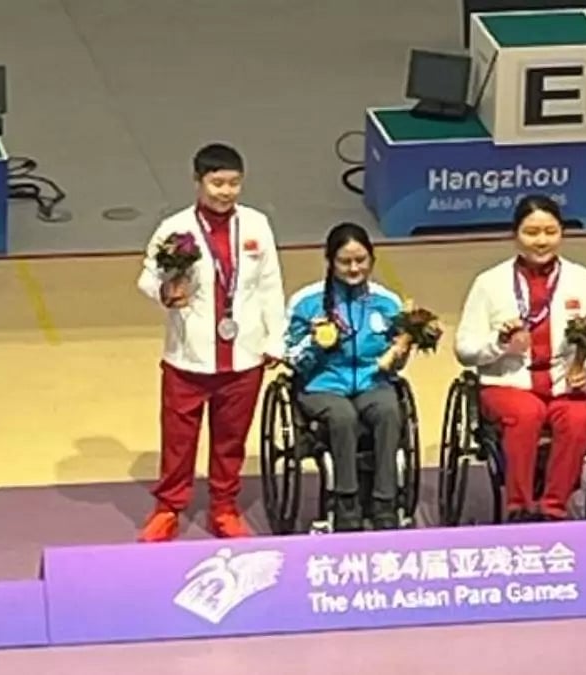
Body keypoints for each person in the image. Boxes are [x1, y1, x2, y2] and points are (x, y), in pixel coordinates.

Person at [135, 143, 287, 542]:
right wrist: (165, 293)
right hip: (188, 356)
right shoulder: (175, 229)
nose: (226, 191)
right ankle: (168, 508)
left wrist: (276, 339)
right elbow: (147, 277)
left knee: (230, 441)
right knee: (178, 441)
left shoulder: (256, 225)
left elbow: (270, 285)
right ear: (198, 181)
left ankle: (224, 508)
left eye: (234, 183)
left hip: (244, 355)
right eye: (217, 183)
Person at [454, 194, 586, 523]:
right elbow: (465, 349)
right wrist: (499, 344)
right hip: (508, 384)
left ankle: (553, 508)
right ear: (514, 234)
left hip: (566, 384)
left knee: (579, 420)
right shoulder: (489, 283)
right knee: (526, 414)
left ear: (562, 233)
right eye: (531, 232)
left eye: (550, 231)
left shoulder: (584, 281)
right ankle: (519, 507)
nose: (541, 241)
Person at [283, 223, 410, 531]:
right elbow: (290, 357)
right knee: (342, 416)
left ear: (372, 259)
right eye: (344, 261)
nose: (354, 268)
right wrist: (316, 342)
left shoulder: (387, 302)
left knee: (389, 410)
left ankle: (385, 501)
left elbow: (397, 363)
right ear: (330, 261)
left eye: (361, 260)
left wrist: (401, 350)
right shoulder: (307, 302)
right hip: (321, 385)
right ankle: (346, 501)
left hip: (371, 381)